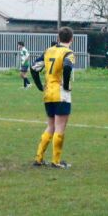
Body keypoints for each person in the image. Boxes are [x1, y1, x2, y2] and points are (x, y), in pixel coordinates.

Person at [30, 26, 75, 169]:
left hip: (48, 93)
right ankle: (56, 161)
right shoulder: (68, 53)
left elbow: (34, 68)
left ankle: (39, 158)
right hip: (61, 93)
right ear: (71, 39)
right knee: (60, 128)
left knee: (50, 126)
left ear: (58, 38)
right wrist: (67, 85)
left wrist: (39, 86)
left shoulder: (48, 51)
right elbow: (67, 67)